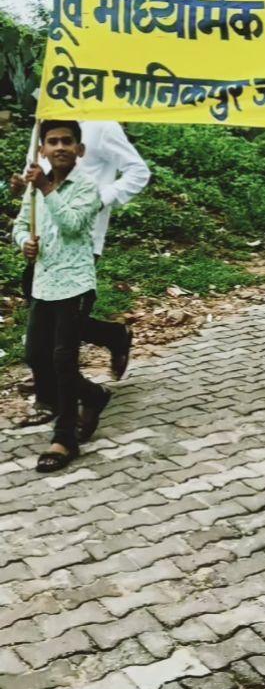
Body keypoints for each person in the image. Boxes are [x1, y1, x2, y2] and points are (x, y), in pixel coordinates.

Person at [12, 120, 151, 382]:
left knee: (59, 317)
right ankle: (110, 337)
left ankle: (56, 389)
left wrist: (100, 199)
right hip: (43, 239)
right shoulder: (46, 118)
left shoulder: (102, 126)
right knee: (41, 306)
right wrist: (23, 186)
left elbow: (138, 172)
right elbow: (37, 171)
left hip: (79, 238)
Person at [12, 120, 111, 473]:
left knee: (63, 361)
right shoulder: (34, 187)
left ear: (79, 149)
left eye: (67, 141)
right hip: (43, 284)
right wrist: (24, 242)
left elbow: (71, 224)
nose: (60, 147)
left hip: (76, 285)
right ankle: (94, 395)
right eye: (52, 142)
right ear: (43, 149)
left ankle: (65, 437)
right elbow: (20, 224)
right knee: (36, 355)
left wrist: (46, 188)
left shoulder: (88, 187)